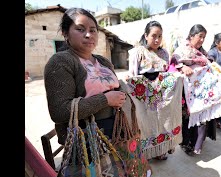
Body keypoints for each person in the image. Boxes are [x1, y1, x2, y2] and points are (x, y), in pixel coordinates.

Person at [44, 8, 127, 146]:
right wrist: (105, 100)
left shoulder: (103, 61)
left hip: (115, 131)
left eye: (93, 30)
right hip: (86, 142)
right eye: (80, 29)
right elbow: (59, 112)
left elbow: (116, 89)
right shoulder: (60, 62)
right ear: (65, 33)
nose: (88, 35)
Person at [125, 20, 183, 161]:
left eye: (160, 36)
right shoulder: (137, 52)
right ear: (146, 35)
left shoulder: (164, 53)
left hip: (162, 97)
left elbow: (166, 73)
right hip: (144, 97)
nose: (157, 40)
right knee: (145, 123)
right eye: (153, 36)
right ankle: (147, 152)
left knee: (162, 122)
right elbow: (133, 76)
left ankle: (160, 150)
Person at [169, 24, 221, 155]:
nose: (202, 40)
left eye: (204, 37)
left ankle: (197, 144)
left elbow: (209, 63)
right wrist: (182, 67)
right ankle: (186, 144)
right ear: (191, 36)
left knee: (202, 117)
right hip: (188, 92)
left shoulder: (203, 52)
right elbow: (173, 63)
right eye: (200, 36)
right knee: (188, 118)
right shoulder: (181, 50)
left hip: (203, 92)